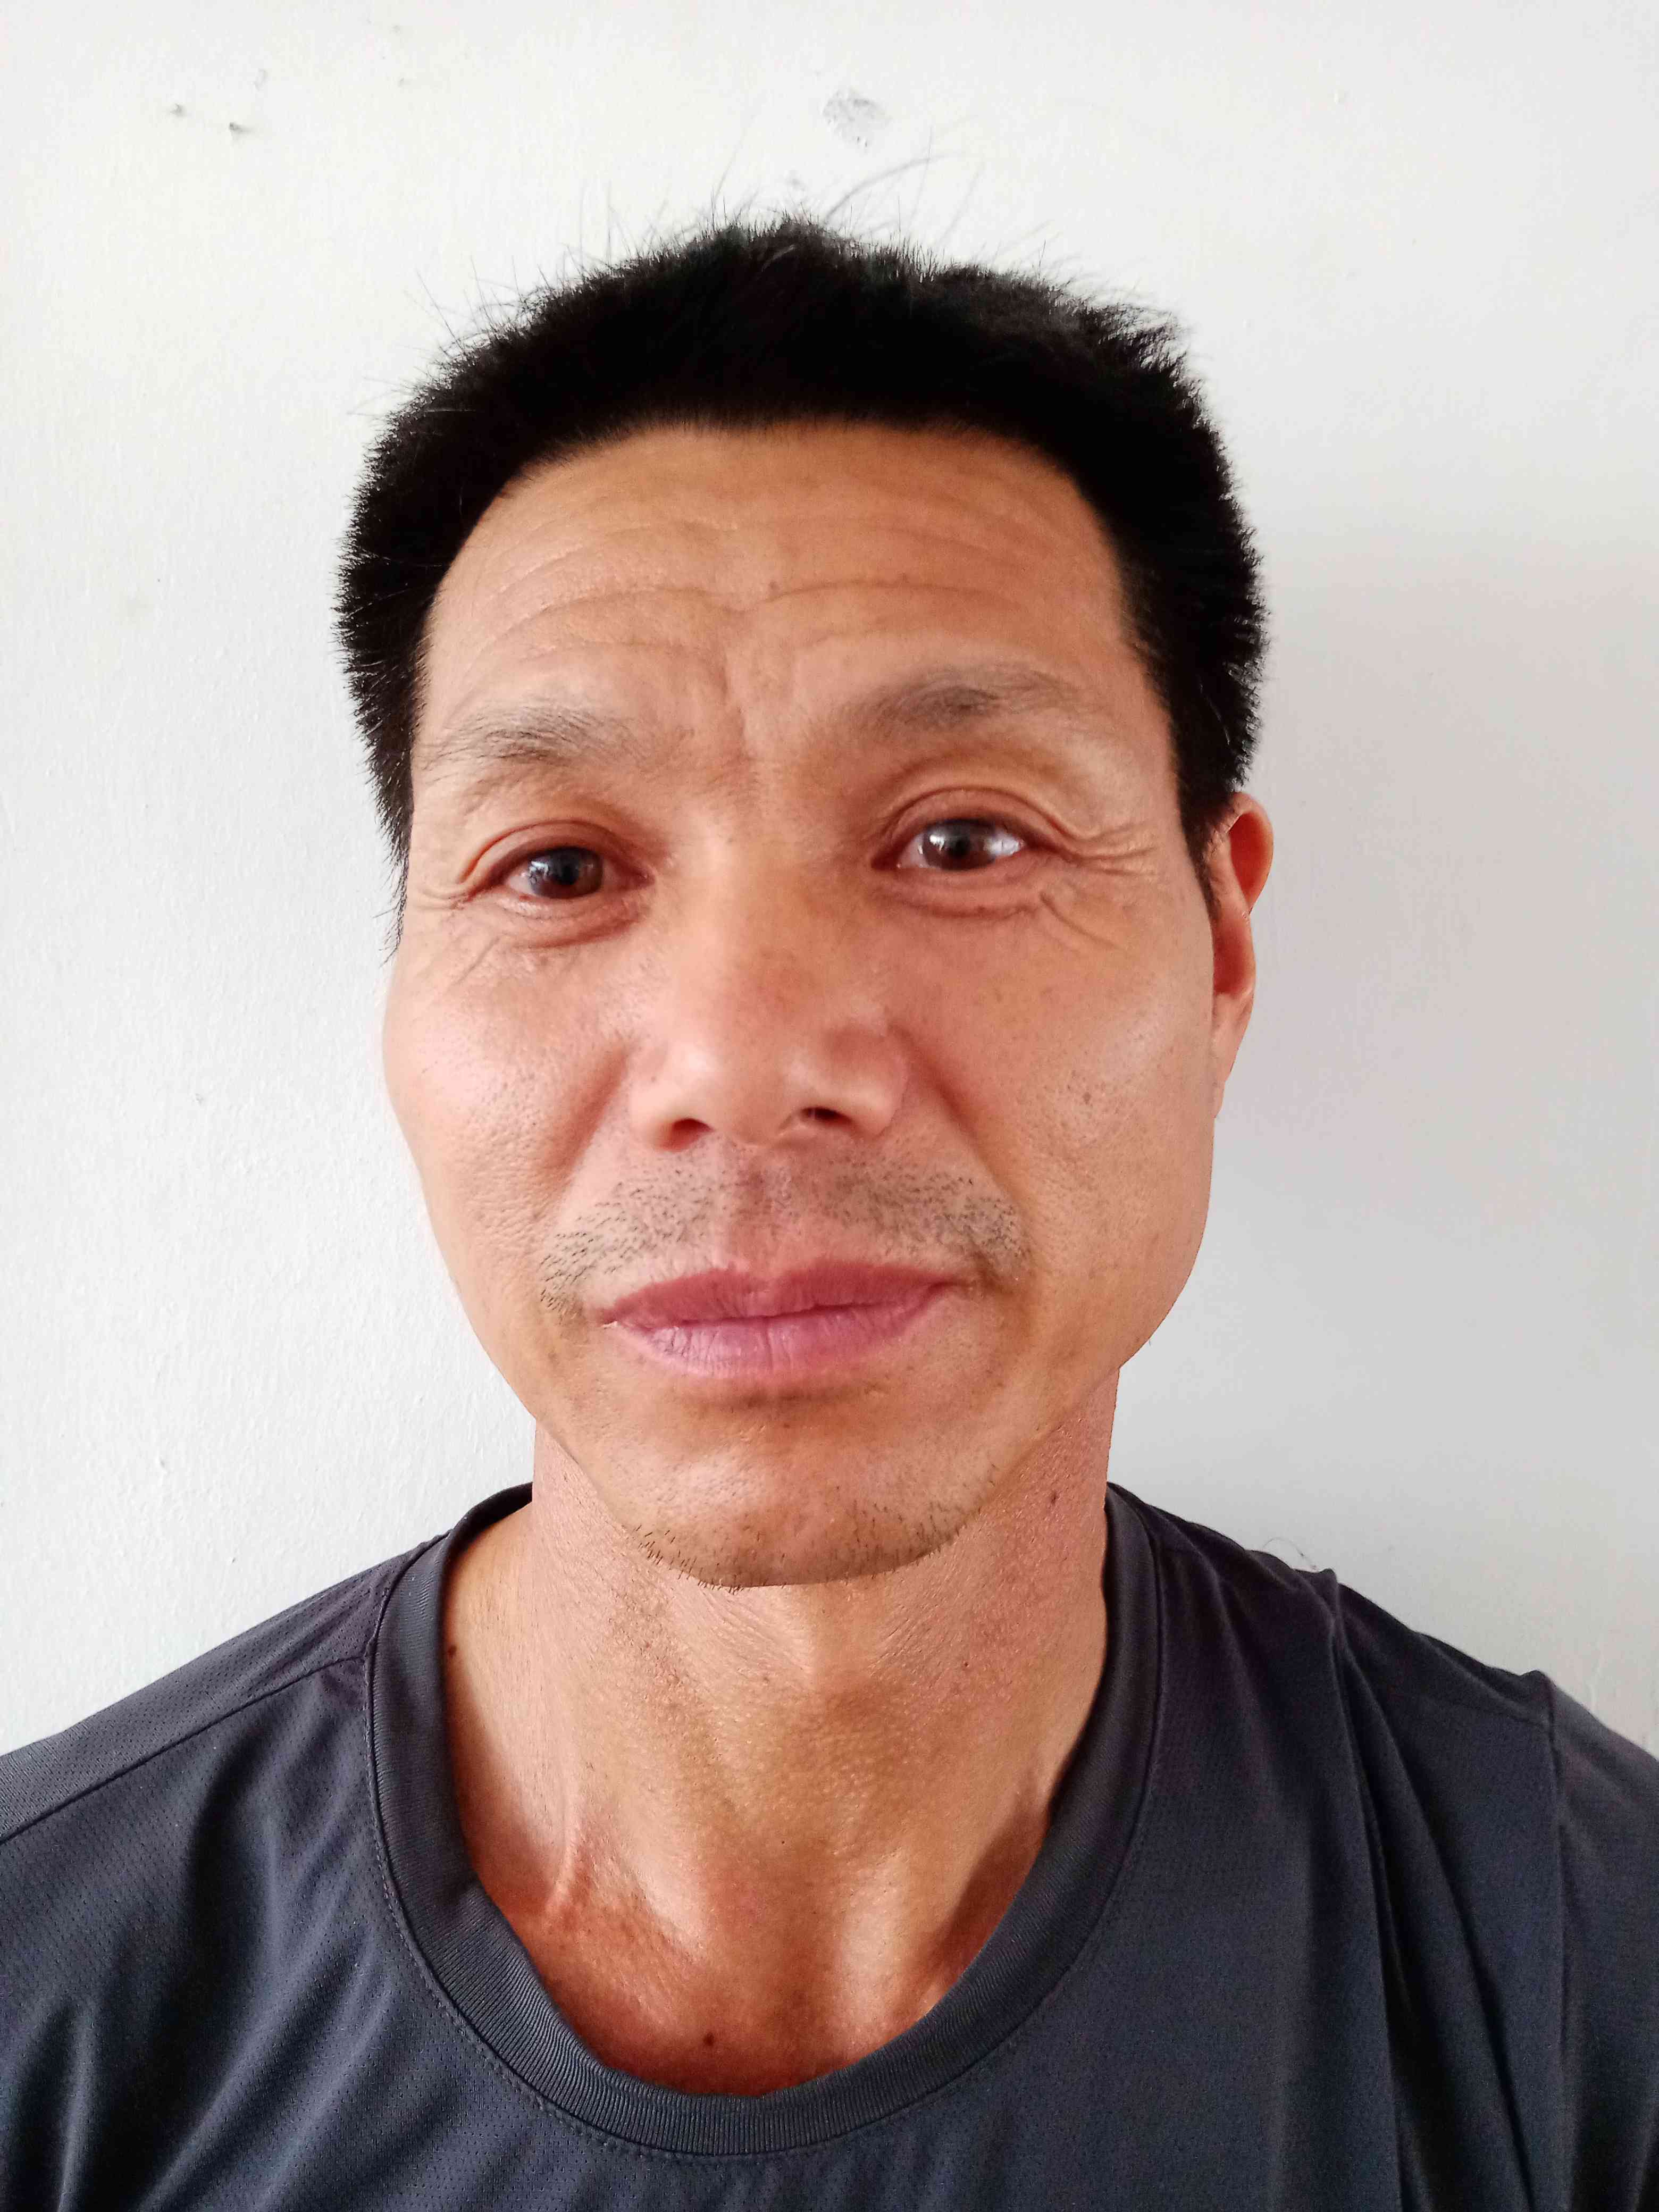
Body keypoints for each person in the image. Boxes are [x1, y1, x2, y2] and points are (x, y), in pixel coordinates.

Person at [2, 214, 1654, 2211]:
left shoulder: (1575, 1974)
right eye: (558, 869)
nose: (745, 1056)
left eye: (963, 838)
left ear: (1221, 953)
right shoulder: (50, 1999)